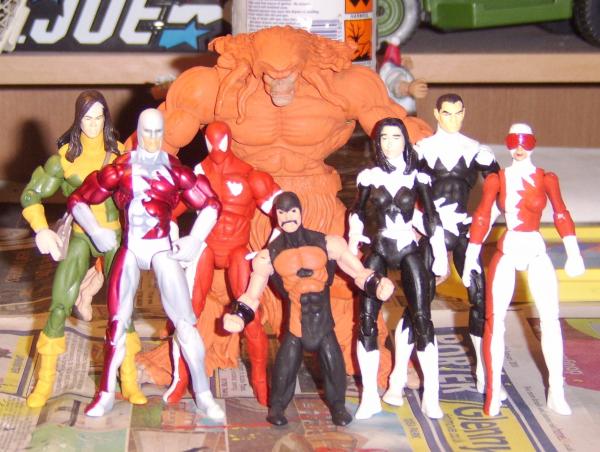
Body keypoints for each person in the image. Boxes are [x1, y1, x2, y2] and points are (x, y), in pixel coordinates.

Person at [134, 26, 433, 389]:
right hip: (243, 205)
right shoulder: (215, 87)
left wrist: (434, 209)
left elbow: (407, 141)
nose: (278, 86)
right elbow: (153, 148)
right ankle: (187, 356)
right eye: (269, 75)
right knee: (216, 286)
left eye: (287, 75)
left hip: (316, 198)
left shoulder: (346, 85)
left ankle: (369, 358)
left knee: (343, 283)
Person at [67, 108, 224, 419]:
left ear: (163, 134)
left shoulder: (176, 170)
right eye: (146, 132)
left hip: (161, 247)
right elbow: (77, 200)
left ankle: (204, 393)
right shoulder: (120, 168)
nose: (152, 139)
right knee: (116, 324)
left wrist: (195, 239)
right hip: (131, 247)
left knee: (186, 324)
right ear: (138, 133)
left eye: (157, 132)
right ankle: (105, 393)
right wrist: (95, 230)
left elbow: (211, 204)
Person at [223, 192, 394, 426]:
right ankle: (277, 408)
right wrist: (239, 315)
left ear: (300, 212)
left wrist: (376, 283)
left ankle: (338, 407)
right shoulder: (268, 256)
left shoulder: (327, 243)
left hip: (324, 324)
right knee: (284, 368)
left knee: (334, 366)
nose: (287, 217)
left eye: (292, 211)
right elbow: (253, 293)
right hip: (296, 325)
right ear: (276, 216)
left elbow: (357, 271)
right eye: (282, 212)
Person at [21, 90, 145, 409]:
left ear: (106, 119)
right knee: (59, 303)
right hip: (80, 235)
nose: (93, 124)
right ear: (78, 120)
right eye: (87, 118)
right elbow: (31, 195)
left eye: (99, 117)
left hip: (114, 236)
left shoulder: (120, 153)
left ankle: (129, 379)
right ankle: (44, 383)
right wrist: (42, 229)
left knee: (123, 307)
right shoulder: (65, 158)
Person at [462, 123, 585, 416]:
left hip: (535, 248)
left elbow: (561, 213)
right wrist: (470, 257)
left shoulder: (546, 178)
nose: (519, 148)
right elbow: (483, 217)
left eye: (525, 142)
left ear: (533, 143)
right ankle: (493, 392)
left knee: (550, 319)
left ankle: (556, 391)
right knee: (495, 322)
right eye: (513, 142)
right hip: (508, 248)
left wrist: (573, 253)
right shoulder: (498, 179)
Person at [162, 120, 281, 406]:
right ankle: (180, 378)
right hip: (206, 248)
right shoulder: (197, 175)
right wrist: (173, 242)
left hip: (238, 250)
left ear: (229, 140)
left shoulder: (251, 175)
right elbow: (168, 211)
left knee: (250, 314)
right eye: (211, 142)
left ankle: (260, 380)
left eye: (221, 141)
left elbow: (287, 211)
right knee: (187, 313)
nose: (216, 148)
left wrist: (270, 250)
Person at [348, 117, 448, 419]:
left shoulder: (418, 176)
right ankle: (369, 396)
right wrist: (353, 241)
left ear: (405, 140)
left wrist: (439, 253)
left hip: (406, 246)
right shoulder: (368, 176)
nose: (389, 143)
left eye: (395, 137)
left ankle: (432, 395)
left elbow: (431, 216)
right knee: (366, 321)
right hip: (379, 246)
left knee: (422, 318)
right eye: (384, 138)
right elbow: (357, 211)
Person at [415, 93, 500, 396]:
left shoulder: (476, 150)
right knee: (419, 302)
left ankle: (485, 373)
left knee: (480, 298)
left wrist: (483, 222)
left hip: (463, 228)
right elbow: (405, 192)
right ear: (437, 114)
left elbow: (499, 191)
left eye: (458, 113)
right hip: (433, 228)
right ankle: (418, 378)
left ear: (464, 113)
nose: (453, 119)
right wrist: (418, 225)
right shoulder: (421, 150)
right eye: (447, 113)